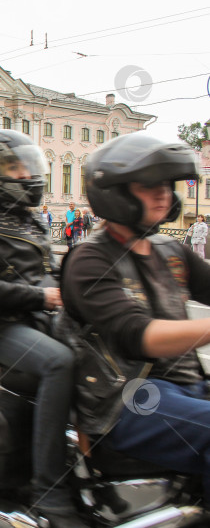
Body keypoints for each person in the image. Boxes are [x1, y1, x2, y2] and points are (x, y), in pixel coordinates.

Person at [61, 133, 210, 506]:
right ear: (113, 192)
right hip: (128, 401)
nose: (163, 193)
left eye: (165, 184)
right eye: (148, 185)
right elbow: (139, 335)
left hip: (188, 388)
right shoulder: (90, 260)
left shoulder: (170, 250)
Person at [0, 130, 80, 527]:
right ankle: (48, 488)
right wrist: (42, 298)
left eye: (28, 165)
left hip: (50, 320)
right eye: (15, 167)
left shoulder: (32, 221)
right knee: (59, 363)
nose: (27, 174)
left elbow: (53, 273)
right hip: (8, 328)